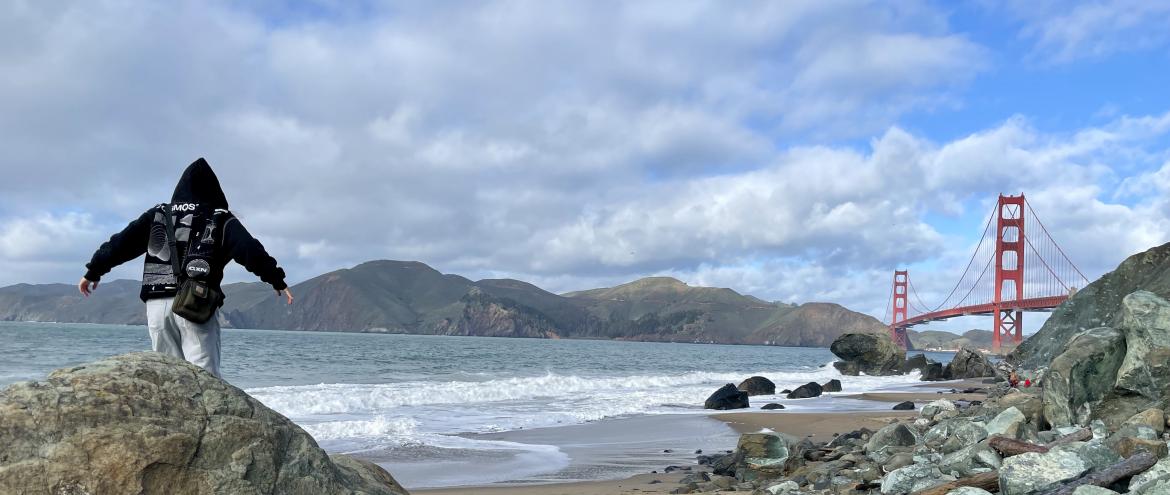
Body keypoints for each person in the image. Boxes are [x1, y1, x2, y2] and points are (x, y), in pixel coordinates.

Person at [79, 158, 292, 378]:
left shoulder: (158, 214)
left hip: (157, 304)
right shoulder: (219, 216)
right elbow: (248, 249)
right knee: (204, 376)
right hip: (196, 303)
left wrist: (94, 270)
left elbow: (120, 244)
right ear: (215, 190)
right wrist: (275, 278)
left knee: (168, 376)